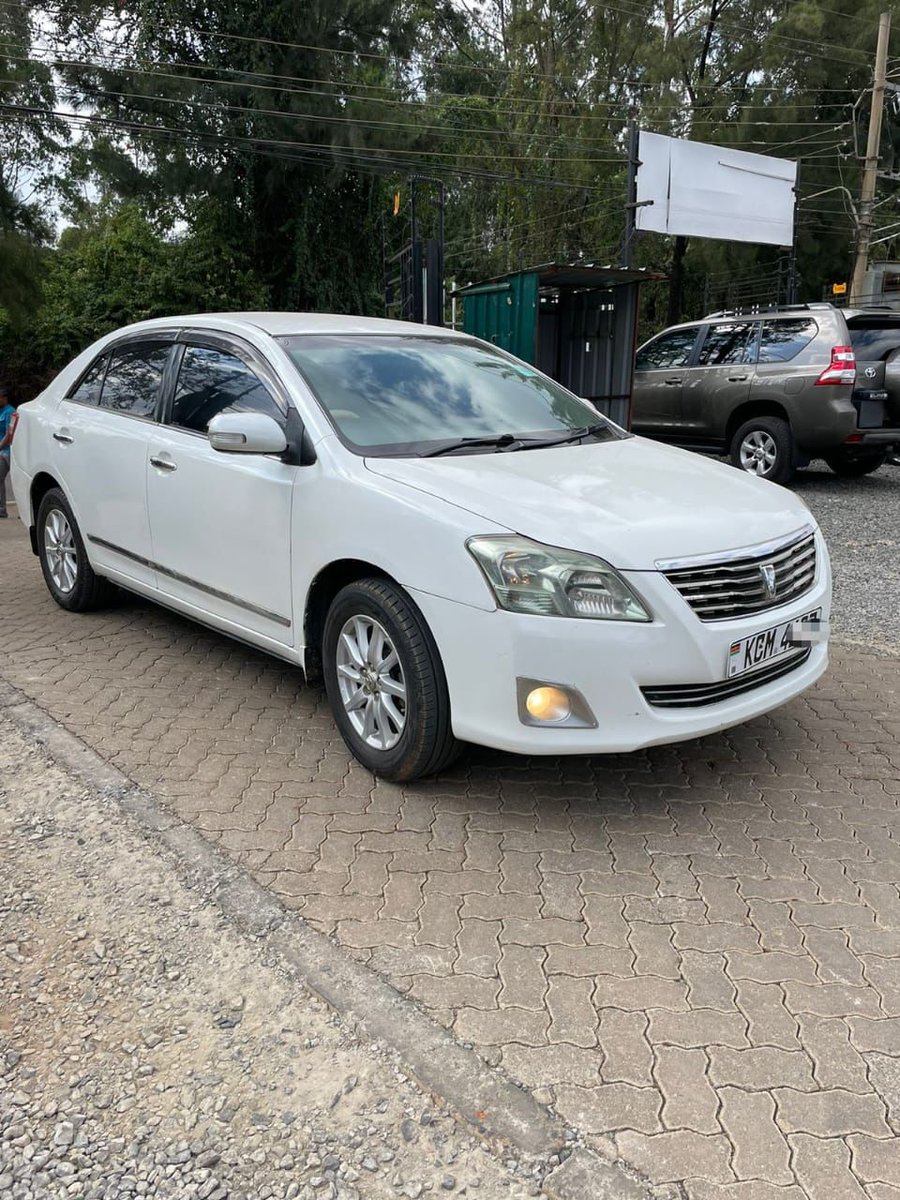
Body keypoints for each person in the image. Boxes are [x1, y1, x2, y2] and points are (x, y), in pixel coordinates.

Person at [0, 384, 17, 518]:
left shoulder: (11, 411)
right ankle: (1, 509)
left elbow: (9, 434)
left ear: (4, 398)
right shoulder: (1, 411)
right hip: (2, 452)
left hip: (9, 451)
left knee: (17, 481)